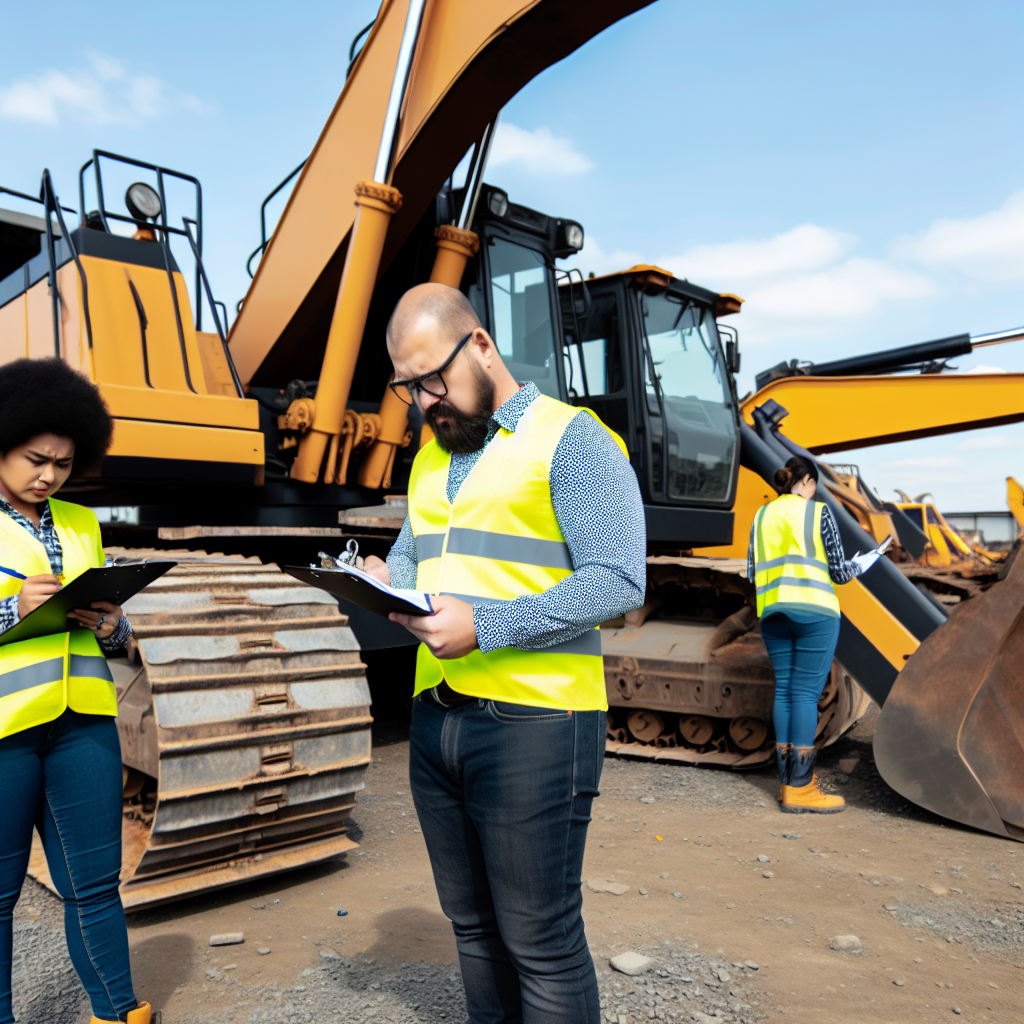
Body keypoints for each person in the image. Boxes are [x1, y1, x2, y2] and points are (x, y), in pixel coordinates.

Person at [362, 283, 646, 1023]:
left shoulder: (571, 438)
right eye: (408, 388)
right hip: (439, 723)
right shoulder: (432, 456)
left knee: (540, 942)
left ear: (481, 346)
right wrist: (382, 583)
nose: (426, 401)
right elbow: (412, 557)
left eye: (434, 379)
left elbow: (617, 580)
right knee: (475, 931)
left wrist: (486, 626)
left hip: (538, 726)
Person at [0, 359, 151, 1024]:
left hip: (83, 726)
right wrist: (10, 611)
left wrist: (115, 627)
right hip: (4, 734)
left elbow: (109, 638)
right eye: (36, 459)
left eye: (62, 465)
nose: (48, 476)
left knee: (95, 888)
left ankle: (117, 1014)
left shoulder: (82, 525)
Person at [748, 454, 881, 814]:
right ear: (806, 481)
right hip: (815, 613)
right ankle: (801, 787)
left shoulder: (761, 517)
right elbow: (838, 572)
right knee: (806, 695)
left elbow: (751, 572)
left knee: (787, 693)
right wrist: (863, 561)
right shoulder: (818, 513)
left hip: (773, 613)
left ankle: (786, 783)